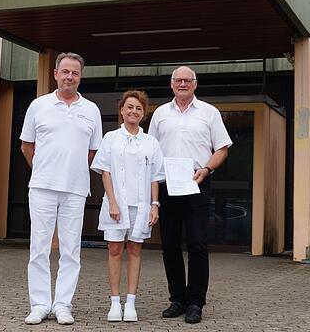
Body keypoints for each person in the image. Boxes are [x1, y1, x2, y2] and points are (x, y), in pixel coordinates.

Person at [19, 52, 102, 326]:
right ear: (55, 74)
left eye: (75, 73)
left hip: (76, 189)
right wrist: (43, 168)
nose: (69, 77)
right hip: (42, 187)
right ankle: (40, 305)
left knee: (70, 250)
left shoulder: (91, 110)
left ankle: (63, 305)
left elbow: (93, 151)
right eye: (65, 72)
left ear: (80, 77)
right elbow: (26, 146)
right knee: (39, 248)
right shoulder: (38, 106)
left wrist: (71, 169)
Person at [149, 66, 232, 324]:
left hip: (197, 183)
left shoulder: (209, 113)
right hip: (167, 185)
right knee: (170, 245)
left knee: (197, 244)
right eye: (178, 80)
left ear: (195, 84)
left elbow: (222, 149)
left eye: (188, 80)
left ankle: (196, 301)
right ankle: (178, 298)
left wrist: (207, 169)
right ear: (171, 84)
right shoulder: (160, 114)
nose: (183, 84)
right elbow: (150, 151)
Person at [90, 90, 164, 322]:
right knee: (114, 249)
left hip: (140, 206)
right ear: (122, 110)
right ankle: (114, 302)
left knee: (135, 250)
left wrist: (155, 204)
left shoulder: (151, 142)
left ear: (144, 113)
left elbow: (155, 176)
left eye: (139, 108)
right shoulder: (111, 138)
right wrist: (112, 201)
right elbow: (105, 171)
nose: (134, 111)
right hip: (116, 205)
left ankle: (131, 302)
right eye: (129, 107)